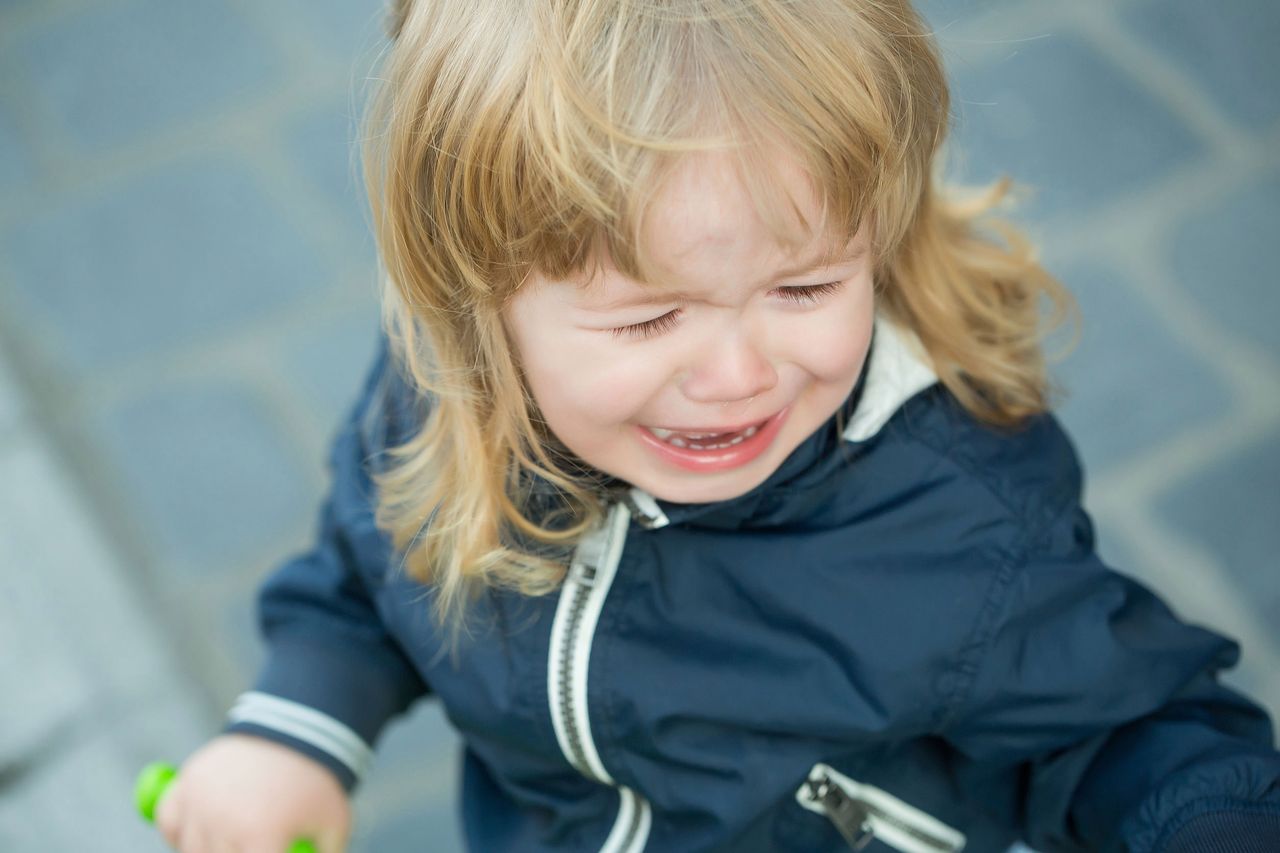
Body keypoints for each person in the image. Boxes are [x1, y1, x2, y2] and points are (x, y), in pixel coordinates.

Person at [154, 0, 1280, 850]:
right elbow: (373, 557)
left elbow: (1127, 728)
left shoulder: (957, 521)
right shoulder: (444, 392)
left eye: (804, 289)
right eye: (647, 318)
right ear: (476, 307)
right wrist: (296, 725)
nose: (740, 373)